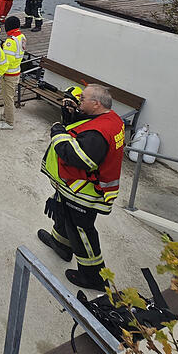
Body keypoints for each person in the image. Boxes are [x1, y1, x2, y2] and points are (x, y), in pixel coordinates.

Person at [37, 84, 125, 290]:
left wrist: (58, 132)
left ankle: (92, 276)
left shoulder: (99, 133)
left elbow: (77, 157)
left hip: (83, 193)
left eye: (82, 99)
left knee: (82, 232)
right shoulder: (110, 119)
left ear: (96, 103)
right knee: (64, 216)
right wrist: (73, 117)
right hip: (73, 188)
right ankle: (60, 245)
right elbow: (87, 129)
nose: (78, 102)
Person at [0, 16, 26, 129]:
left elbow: (6, 61)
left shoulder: (10, 41)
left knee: (8, 98)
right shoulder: (21, 36)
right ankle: (5, 115)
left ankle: (9, 122)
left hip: (9, 74)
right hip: (16, 70)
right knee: (8, 96)